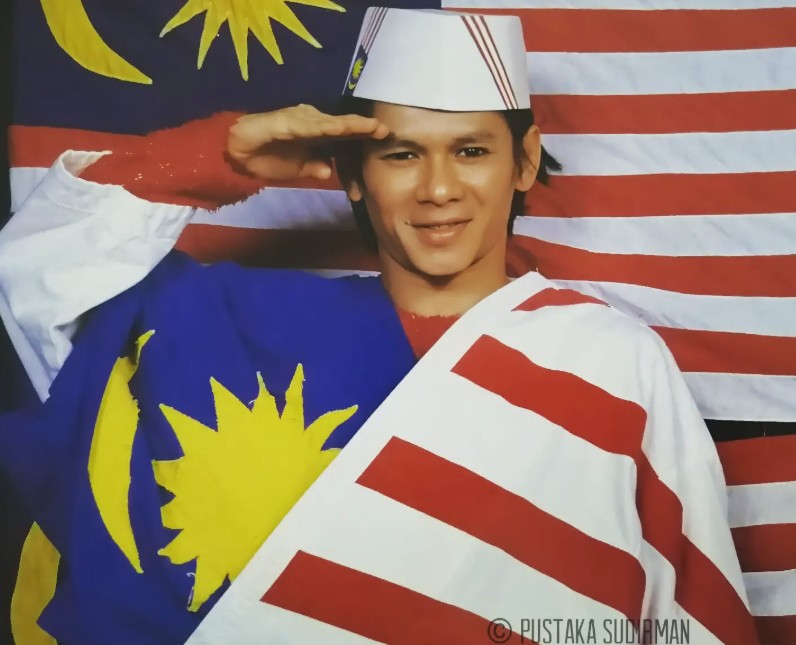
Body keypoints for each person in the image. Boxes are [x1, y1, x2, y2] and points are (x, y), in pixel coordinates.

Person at [0, 7, 758, 645]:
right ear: (353, 173)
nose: (438, 188)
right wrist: (211, 155)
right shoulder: (230, 319)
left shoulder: (613, 359)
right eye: (401, 154)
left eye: (471, 151)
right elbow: (33, 278)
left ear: (525, 162)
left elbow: (688, 615)